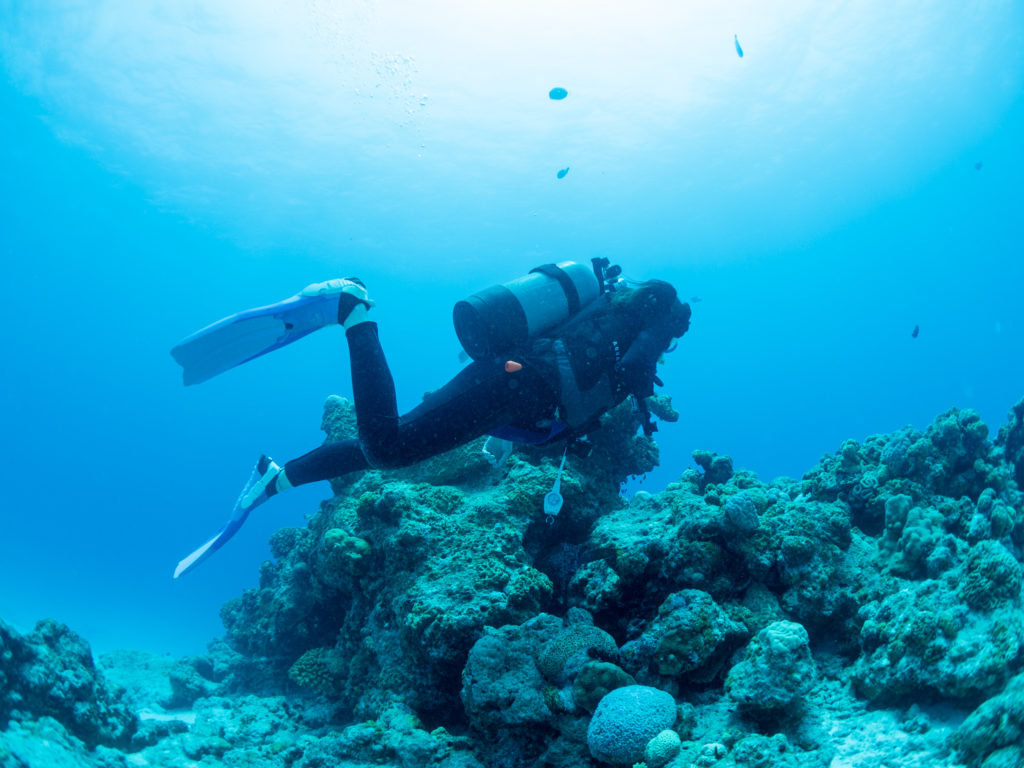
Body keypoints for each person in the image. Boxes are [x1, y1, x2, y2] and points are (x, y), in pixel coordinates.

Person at [171, 265, 691, 577]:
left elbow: (575, 392)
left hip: (514, 393)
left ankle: (275, 477)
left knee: (390, 446)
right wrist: (652, 361)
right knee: (391, 447)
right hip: (510, 384)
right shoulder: (646, 328)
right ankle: (352, 307)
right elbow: (626, 367)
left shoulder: (615, 328)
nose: (667, 351)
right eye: (671, 340)